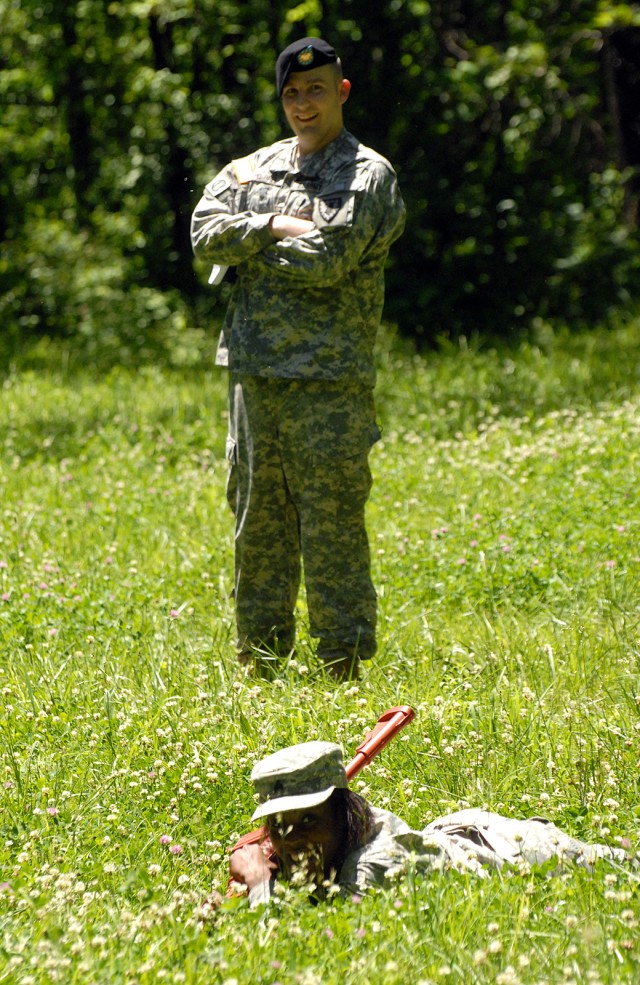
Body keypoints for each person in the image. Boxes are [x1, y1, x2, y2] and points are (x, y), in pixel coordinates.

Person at [190, 37, 405, 681]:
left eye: (316, 90)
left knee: (332, 522)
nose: (303, 104)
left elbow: (329, 261)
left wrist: (247, 241)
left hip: (328, 380)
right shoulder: (254, 166)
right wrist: (275, 228)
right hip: (254, 377)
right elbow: (204, 232)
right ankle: (261, 663)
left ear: (340, 91)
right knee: (257, 520)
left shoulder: (369, 173)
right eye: (292, 93)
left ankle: (340, 664)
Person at [228, 741, 629, 907]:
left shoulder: (376, 864)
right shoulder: (321, 841)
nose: (292, 838)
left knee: (622, 866)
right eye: (279, 825)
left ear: (341, 812)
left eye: (309, 820)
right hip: (444, 834)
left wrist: (262, 886)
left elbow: (301, 942)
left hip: (512, 850)